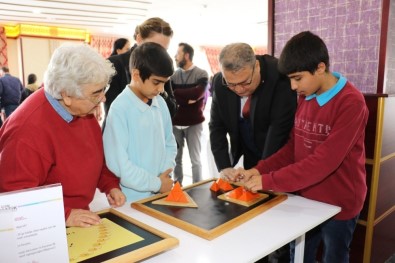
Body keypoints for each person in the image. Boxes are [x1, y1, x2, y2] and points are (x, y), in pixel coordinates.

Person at [234, 31, 368, 263]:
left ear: (320, 68)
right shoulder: (306, 96)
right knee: (300, 256)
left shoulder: (351, 103)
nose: (293, 87)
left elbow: (323, 163)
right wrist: (259, 170)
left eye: (297, 78)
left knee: (334, 257)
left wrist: (268, 181)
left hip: (340, 202)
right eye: (290, 80)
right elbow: (292, 149)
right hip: (306, 197)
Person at [0, 43, 126, 227]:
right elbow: (14, 199)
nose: (103, 99)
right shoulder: (26, 131)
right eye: (96, 93)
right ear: (66, 95)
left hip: (78, 219)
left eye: (103, 90)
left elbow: (94, 159)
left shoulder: (82, 109)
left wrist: (110, 185)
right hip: (45, 227)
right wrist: (65, 215)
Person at [209, 42, 296, 178]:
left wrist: (260, 171)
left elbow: (279, 130)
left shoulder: (280, 77)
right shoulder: (220, 82)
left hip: (278, 158)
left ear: (256, 66)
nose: (238, 90)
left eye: (245, 82)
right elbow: (217, 126)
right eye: (231, 84)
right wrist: (224, 166)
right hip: (249, 154)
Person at [103, 42, 176, 202]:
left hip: (160, 193)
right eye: (156, 82)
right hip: (131, 200)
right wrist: (156, 183)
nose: (162, 89)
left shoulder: (160, 103)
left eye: (164, 82)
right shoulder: (120, 109)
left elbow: (170, 143)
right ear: (136, 75)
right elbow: (120, 166)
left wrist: (163, 176)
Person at [104, 17, 177, 127]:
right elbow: (113, 110)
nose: (159, 54)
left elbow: (172, 111)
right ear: (139, 39)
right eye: (154, 46)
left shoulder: (162, 66)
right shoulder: (114, 63)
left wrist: (159, 91)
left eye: (164, 50)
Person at [171, 43, 208, 185]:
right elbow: (170, 96)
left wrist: (178, 95)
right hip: (176, 123)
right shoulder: (173, 76)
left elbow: (197, 93)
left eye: (178, 53)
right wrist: (188, 98)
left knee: (195, 159)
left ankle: (197, 186)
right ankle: (177, 187)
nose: (175, 56)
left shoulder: (202, 73)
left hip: (194, 123)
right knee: (176, 159)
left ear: (186, 55)